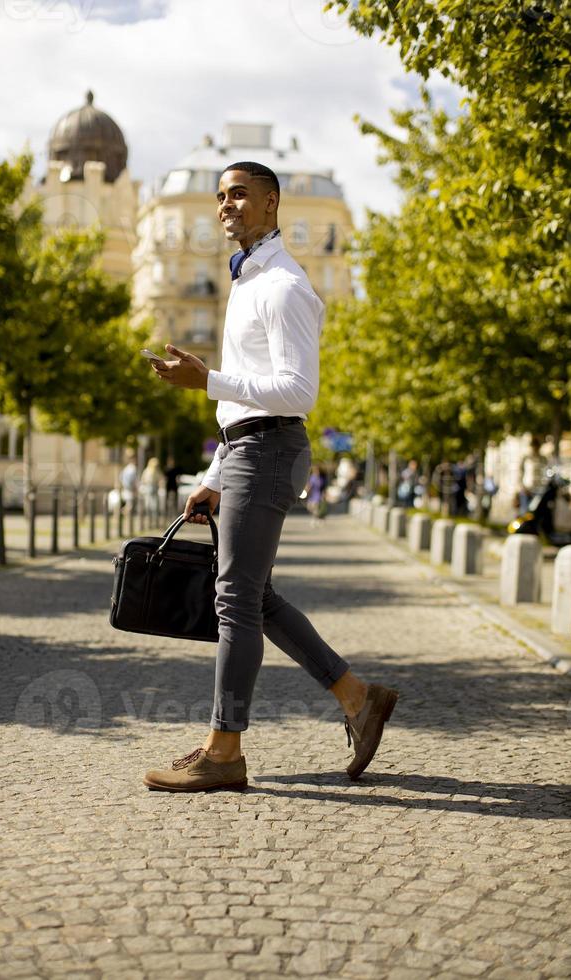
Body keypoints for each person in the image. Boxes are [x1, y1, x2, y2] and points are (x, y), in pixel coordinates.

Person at [143, 161, 399, 792]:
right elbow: (242, 409)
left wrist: (208, 380)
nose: (226, 205)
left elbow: (296, 391)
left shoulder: (283, 284)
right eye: (221, 196)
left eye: (240, 195)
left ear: (271, 203)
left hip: (272, 451)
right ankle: (357, 696)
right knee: (253, 596)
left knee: (234, 599)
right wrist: (214, 473)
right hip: (248, 451)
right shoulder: (250, 280)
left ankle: (223, 751)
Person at [517, 436, 548, 513]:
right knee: (524, 512)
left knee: (538, 513)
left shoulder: (543, 459)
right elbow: (520, 473)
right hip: (527, 489)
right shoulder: (526, 458)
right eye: (534, 446)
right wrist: (522, 487)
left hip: (539, 490)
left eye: (537, 446)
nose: (535, 448)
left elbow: (547, 474)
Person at [138, 457, 163, 524]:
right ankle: (153, 520)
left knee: (150, 505)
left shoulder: (147, 470)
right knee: (153, 505)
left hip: (150, 488)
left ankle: (152, 520)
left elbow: (143, 480)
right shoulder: (152, 470)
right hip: (151, 488)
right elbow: (160, 479)